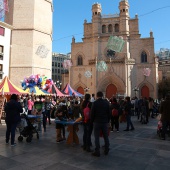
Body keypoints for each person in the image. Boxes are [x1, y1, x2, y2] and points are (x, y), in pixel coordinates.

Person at [91, 91, 110, 157]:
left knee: (96, 137)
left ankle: (97, 151)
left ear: (97, 96)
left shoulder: (95, 103)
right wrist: (108, 121)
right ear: (102, 95)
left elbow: (92, 113)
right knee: (105, 136)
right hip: (104, 122)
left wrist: (92, 121)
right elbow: (109, 113)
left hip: (97, 122)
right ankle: (107, 149)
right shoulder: (106, 103)